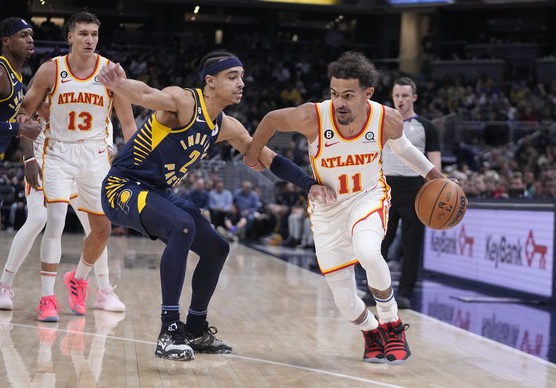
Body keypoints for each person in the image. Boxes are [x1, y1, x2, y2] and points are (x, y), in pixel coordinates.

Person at [97, 50, 336, 361]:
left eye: (242, 77)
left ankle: (195, 328)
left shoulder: (227, 126)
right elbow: (146, 94)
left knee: (217, 249)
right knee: (182, 225)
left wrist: (309, 185)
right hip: (122, 187)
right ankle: (169, 330)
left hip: (156, 191)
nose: (241, 83)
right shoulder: (183, 100)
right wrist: (120, 84)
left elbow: (265, 156)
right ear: (209, 81)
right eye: (232, 77)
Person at [245, 51, 447, 365]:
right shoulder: (313, 116)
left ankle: (392, 325)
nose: (339, 101)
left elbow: (404, 148)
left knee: (368, 250)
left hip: (368, 197)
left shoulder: (386, 118)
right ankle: (371, 331)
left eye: (348, 95)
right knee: (344, 300)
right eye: (335, 93)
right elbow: (271, 120)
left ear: (368, 94)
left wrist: (435, 176)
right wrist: (252, 154)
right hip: (327, 209)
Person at [16, 11, 137, 322]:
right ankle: (47, 299)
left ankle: (79, 279)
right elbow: (24, 114)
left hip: (95, 155)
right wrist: (29, 156)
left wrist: (134, 164)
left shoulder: (110, 72)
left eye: (94, 34)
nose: (89, 40)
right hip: (58, 152)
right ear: (69, 37)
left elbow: (127, 122)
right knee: (54, 219)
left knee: (102, 229)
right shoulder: (51, 70)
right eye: (83, 33)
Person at [0, 101, 126, 314]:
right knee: (38, 219)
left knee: (96, 228)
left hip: (80, 160)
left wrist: (107, 147)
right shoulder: (50, 75)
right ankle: (3, 286)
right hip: (45, 159)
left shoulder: (94, 84)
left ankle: (104, 290)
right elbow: (26, 120)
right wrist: (30, 159)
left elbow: (102, 120)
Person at [0, 17, 42, 315]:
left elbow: (20, 123)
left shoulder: (17, 77)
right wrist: (16, 130)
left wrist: (29, 157)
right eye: (23, 35)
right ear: (6, 40)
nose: (30, 40)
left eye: (31, 35)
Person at [378, 76, 442, 310]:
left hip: (416, 188)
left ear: (414, 97)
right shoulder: (382, 123)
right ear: (392, 97)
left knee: (411, 244)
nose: (401, 100)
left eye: (405, 95)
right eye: (397, 95)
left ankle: (405, 294)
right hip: (386, 187)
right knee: (379, 243)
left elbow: (434, 159)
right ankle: (377, 291)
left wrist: (438, 184)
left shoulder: (427, 126)